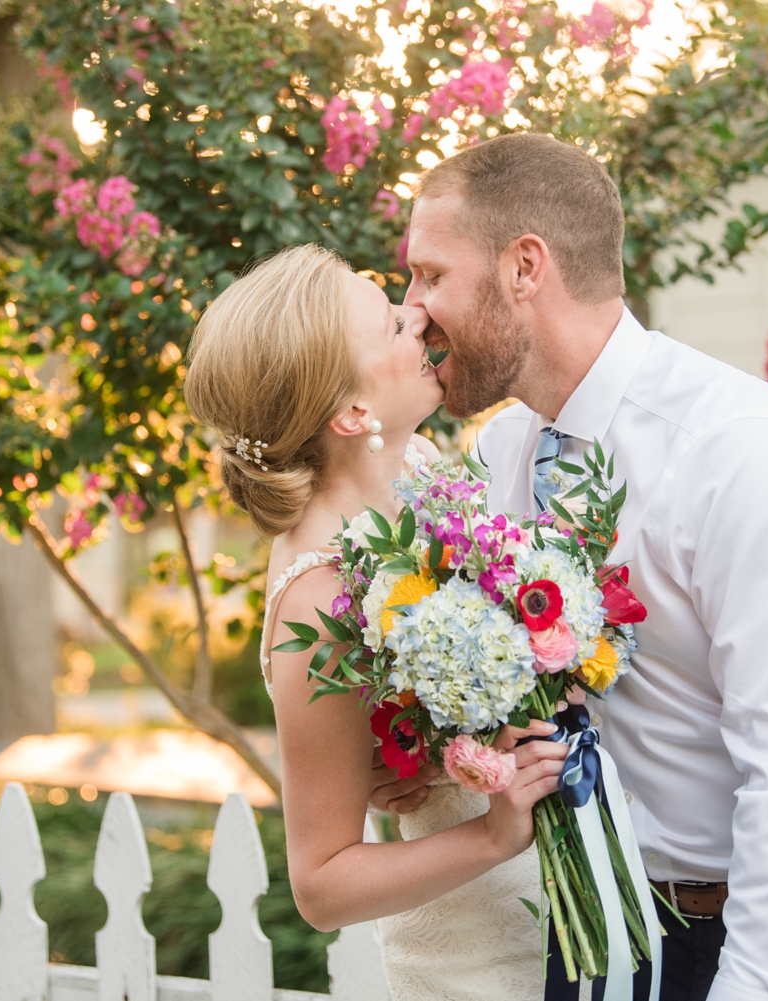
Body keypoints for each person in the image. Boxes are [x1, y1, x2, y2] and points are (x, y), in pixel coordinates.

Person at [379, 131, 768, 1001]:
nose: (413, 307)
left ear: (524, 266)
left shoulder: (740, 450)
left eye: (430, 274)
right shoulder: (502, 454)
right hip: (627, 917)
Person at [181, 244, 565, 1001]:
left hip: (558, 914)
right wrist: (492, 831)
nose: (417, 314)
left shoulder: (418, 467)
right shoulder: (319, 598)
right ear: (353, 413)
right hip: (475, 959)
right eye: (392, 324)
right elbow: (321, 884)